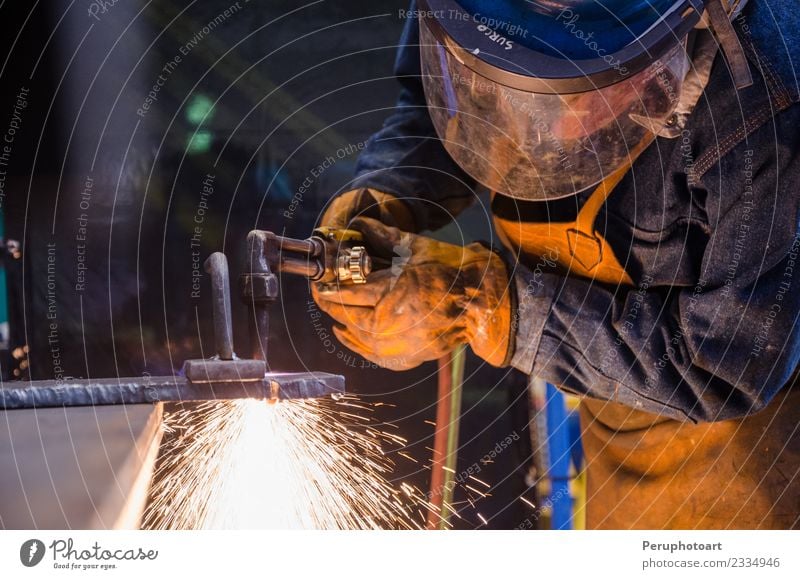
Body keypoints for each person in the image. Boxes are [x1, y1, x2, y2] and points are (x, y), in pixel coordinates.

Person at [313, 0, 800, 528]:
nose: (545, 128)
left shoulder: (766, 105)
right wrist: (390, 188)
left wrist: (484, 305)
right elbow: (445, 98)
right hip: (606, 418)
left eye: (579, 89)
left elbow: (732, 362)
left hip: (742, 454)